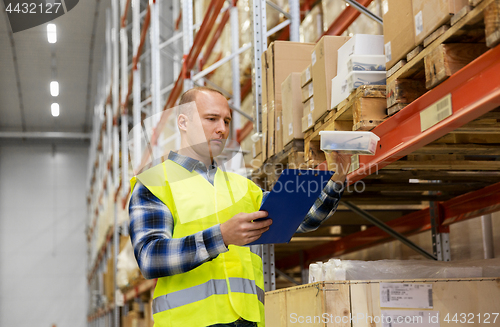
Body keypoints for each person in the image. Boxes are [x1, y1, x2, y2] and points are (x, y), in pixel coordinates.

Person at [128, 87, 351, 327]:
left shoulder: (241, 187)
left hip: (248, 321)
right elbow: (150, 258)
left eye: (226, 121)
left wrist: (336, 179)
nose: (222, 129)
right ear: (183, 122)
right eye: (211, 119)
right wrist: (221, 237)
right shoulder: (154, 182)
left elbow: (301, 218)